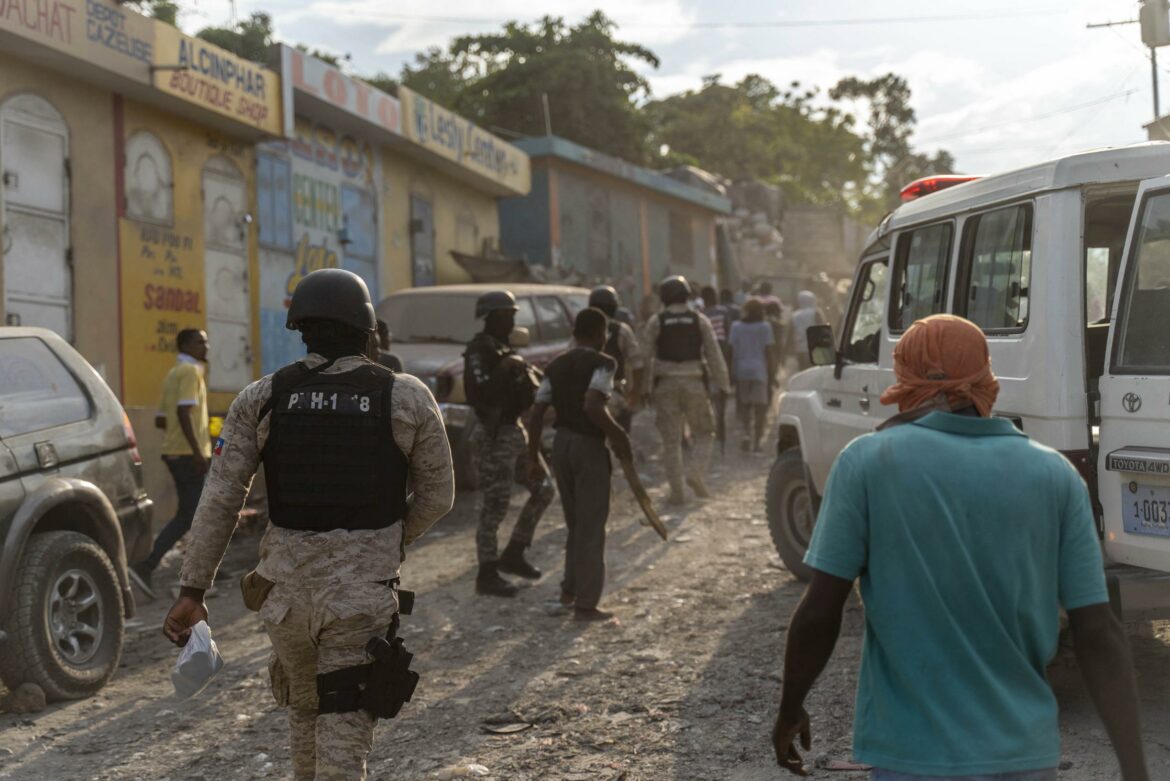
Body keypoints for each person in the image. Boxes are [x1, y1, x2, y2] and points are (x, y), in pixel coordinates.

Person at [773, 315, 1149, 781]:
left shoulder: (867, 462)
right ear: (985, 380)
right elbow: (1099, 632)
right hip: (1023, 757)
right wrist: (1136, 769)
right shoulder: (1054, 475)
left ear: (904, 382)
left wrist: (790, 707)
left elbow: (820, 610)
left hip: (909, 757)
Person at [162, 269, 455, 781]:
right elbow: (438, 496)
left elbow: (220, 500)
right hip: (358, 603)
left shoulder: (262, 397)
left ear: (301, 330)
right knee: (342, 743)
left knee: (305, 714)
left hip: (285, 602)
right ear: (368, 331)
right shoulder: (405, 396)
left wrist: (192, 590)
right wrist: (391, 539)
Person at [527, 308, 632, 621]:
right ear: (601, 334)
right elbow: (593, 404)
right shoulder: (604, 362)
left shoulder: (556, 364)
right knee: (591, 527)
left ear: (575, 333)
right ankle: (586, 604)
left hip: (561, 446)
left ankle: (569, 593)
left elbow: (537, 411)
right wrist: (619, 435)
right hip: (588, 447)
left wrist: (533, 456)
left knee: (575, 525)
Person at [463, 290, 556, 597]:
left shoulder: (503, 349)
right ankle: (487, 573)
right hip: (494, 435)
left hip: (514, 431)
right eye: (507, 315)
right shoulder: (480, 351)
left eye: (513, 314)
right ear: (492, 317)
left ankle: (515, 552)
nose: (512, 321)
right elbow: (480, 395)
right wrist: (505, 368)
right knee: (494, 505)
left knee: (544, 489)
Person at [131, 328, 212, 598]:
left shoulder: (173, 374)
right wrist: (197, 451)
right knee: (191, 514)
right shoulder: (189, 372)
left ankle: (202, 570)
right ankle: (147, 564)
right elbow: (182, 412)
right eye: (200, 342)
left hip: (176, 452)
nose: (206, 347)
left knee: (194, 513)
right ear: (185, 345)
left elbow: (161, 420)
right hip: (188, 454)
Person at [643, 275, 731, 505]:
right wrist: (724, 384)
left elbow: (645, 357)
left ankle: (677, 493)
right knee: (705, 432)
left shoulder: (656, 321)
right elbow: (714, 354)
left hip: (665, 386)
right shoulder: (699, 320)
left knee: (671, 441)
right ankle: (695, 472)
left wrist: (644, 389)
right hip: (694, 384)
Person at [588, 285, 645, 433]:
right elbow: (637, 364)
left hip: (588, 397)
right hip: (614, 394)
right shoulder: (622, 330)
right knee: (620, 437)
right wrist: (635, 392)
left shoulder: (582, 330)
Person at [727, 299, 775, 452]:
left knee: (745, 406)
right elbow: (769, 352)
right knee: (760, 408)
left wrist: (730, 372)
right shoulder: (765, 327)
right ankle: (757, 441)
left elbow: (730, 351)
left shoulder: (736, 327)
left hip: (741, 371)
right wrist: (772, 373)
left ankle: (747, 433)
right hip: (759, 371)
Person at [790, 290, 826, 371]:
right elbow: (822, 331)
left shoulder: (795, 315)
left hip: (800, 349)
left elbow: (791, 333)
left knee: (802, 371)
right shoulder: (816, 312)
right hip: (815, 349)